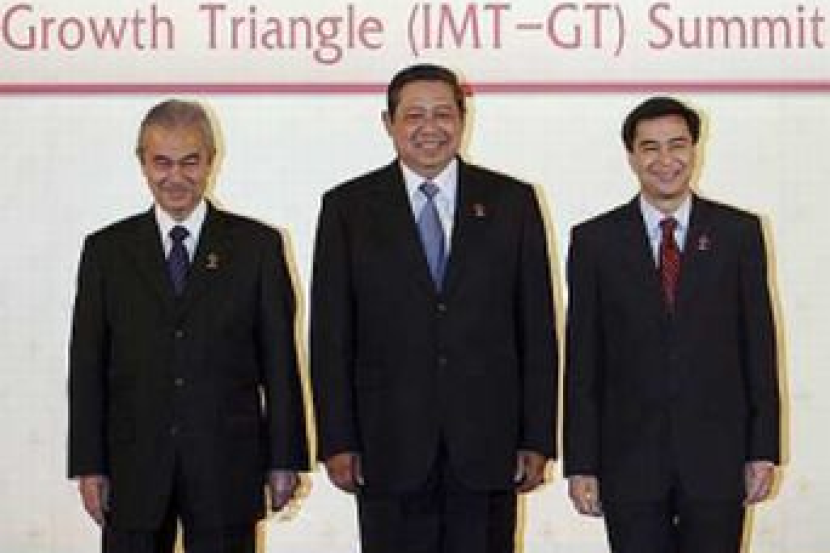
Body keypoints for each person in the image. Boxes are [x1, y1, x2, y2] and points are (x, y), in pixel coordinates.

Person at [309, 63, 558, 553]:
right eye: (414, 115)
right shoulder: (348, 208)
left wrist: (537, 437)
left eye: (443, 114)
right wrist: (337, 439)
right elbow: (331, 334)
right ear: (388, 123)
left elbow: (536, 329)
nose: (430, 128)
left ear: (463, 120)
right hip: (387, 446)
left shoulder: (511, 202)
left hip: (488, 446)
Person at [68, 99, 309, 553]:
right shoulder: (106, 251)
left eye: (190, 162)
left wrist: (284, 458)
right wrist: (89, 464)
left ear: (211, 161)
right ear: (142, 163)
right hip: (133, 468)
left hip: (226, 466)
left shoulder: (257, 247)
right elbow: (87, 366)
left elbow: (280, 364)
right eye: (162, 162)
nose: (176, 177)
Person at [563, 96, 781, 553]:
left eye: (677, 145)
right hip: (628, 462)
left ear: (695, 150)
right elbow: (583, 359)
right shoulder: (595, 241)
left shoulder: (738, 233)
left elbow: (758, 348)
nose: (666, 160)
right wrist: (581, 463)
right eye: (650, 148)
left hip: (717, 459)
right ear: (631, 157)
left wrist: (762, 449)